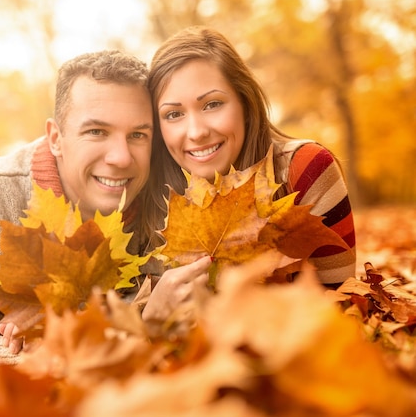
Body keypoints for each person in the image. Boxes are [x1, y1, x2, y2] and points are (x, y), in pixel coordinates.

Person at [0, 50, 154, 370]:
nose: (121, 157)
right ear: (55, 138)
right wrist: (37, 359)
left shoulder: (164, 195)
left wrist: (77, 321)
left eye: (137, 135)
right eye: (96, 132)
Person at [141, 26, 356, 320]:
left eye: (212, 104)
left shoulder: (305, 169)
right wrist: (148, 324)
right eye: (174, 114)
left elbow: (342, 314)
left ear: (244, 102)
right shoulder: (150, 197)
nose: (197, 132)